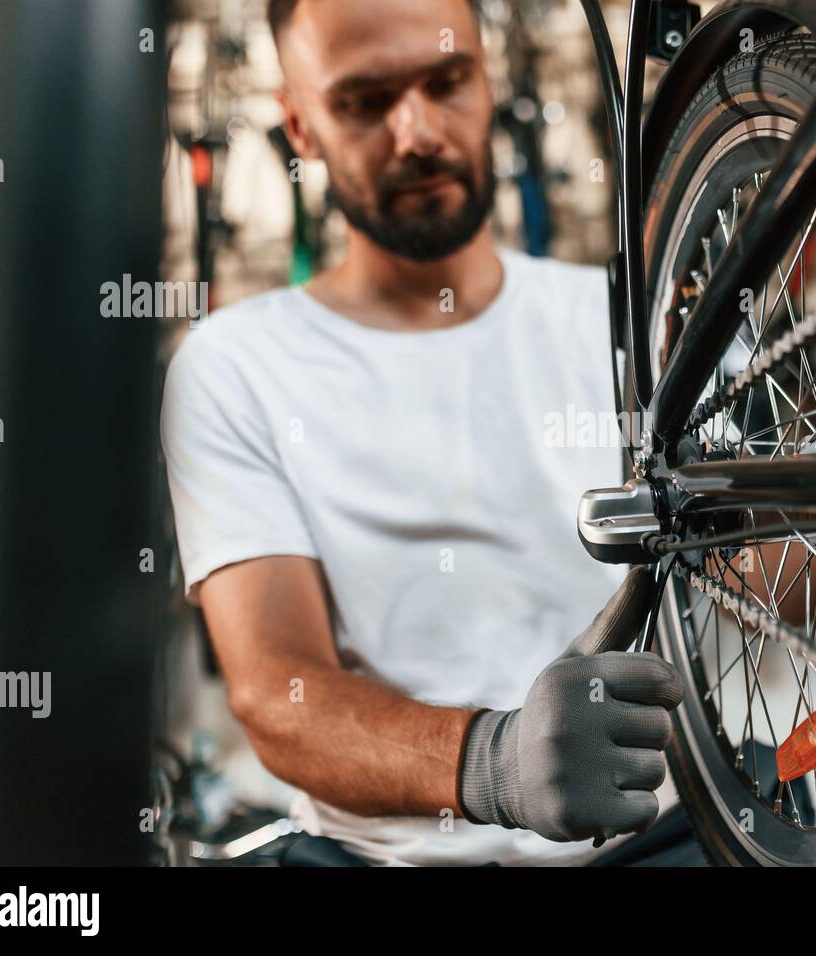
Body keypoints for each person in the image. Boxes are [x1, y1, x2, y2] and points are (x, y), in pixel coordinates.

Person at [160, 0, 688, 866]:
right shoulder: (233, 366)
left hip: (652, 843)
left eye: (446, 82)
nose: (416, 133)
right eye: (364, 102)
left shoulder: (623, 318)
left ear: (487, 78)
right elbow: (274, 692)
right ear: (301, 126)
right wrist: (494, 764)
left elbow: (769, 577)